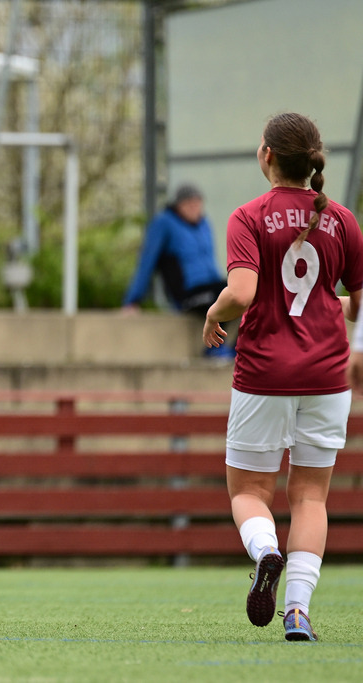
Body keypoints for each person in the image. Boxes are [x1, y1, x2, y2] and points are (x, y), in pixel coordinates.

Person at [203, 112, 363, 642]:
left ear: (266, 156)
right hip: (327, 376)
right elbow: (356, 305)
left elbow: (242, 293)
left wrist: (213, 315)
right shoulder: (341, 218)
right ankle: (297, 611)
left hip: (264, 374)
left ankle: (265, 550)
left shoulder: (248, 216)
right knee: (311, 498)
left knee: (248, 490)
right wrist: (326, 306)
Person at [123, 184, 236, 359]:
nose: (194, 208)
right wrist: (133, 300)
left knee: (243, 290)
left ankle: (238, 348)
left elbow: (210, 261)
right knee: (221, 293)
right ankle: (214, 348)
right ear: (178, 205)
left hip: (210, 288)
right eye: (189, 204)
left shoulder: (204, 224)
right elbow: (147, 261)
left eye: (197, 203)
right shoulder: (164, 223)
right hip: (187, 295)